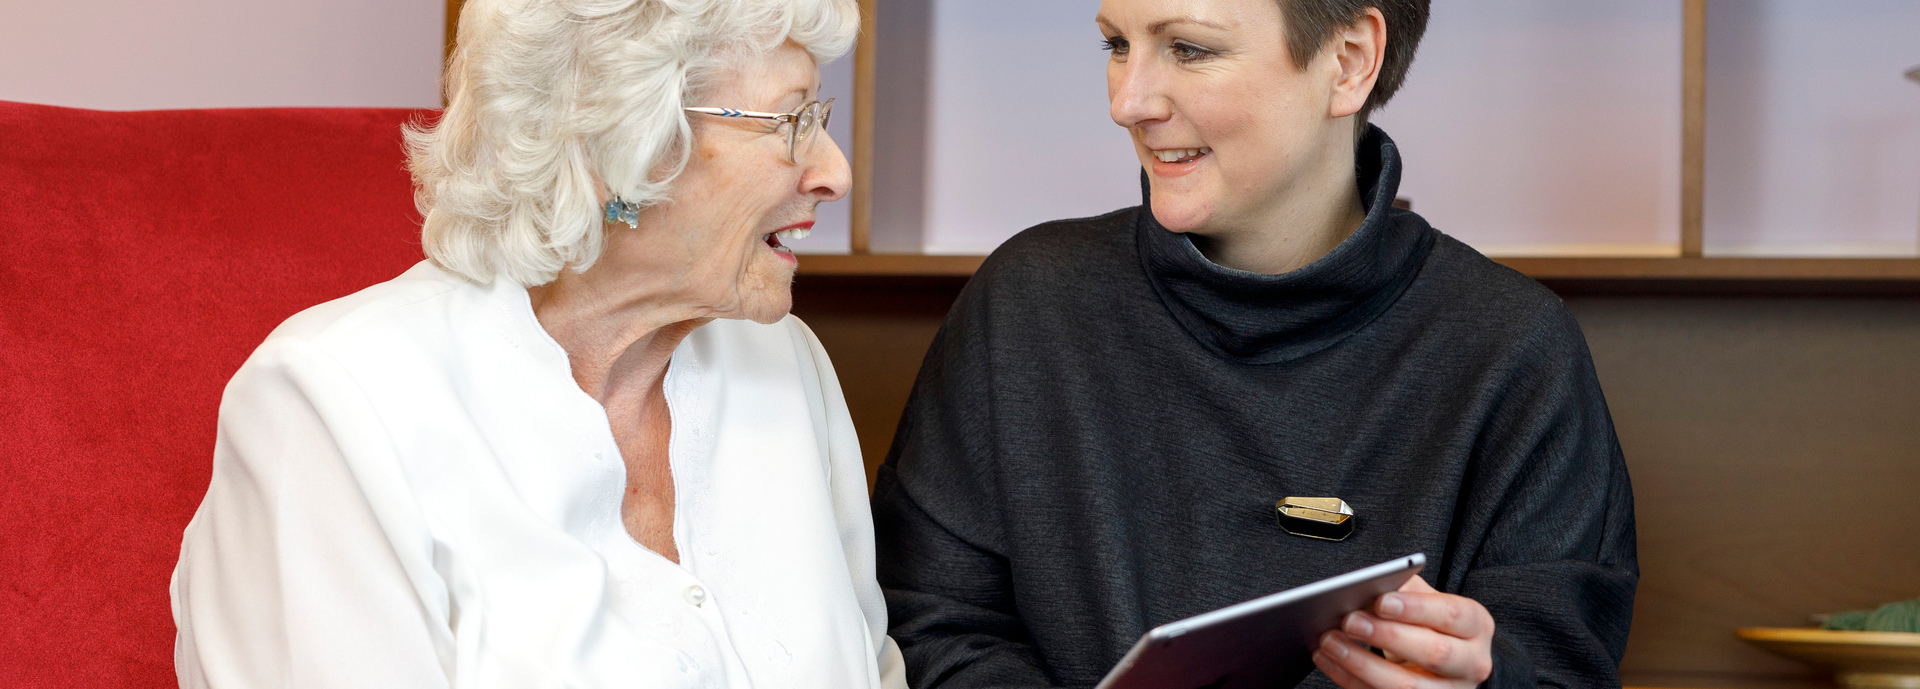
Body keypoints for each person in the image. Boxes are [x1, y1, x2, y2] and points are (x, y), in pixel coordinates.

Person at [870, 0, 1636, 688]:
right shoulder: (1025, 305)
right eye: (1115, 43)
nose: (1127, 101)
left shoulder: (1513, 349)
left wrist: (1485, 681)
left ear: (1349, 61)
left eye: (1189, 48)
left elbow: (1565, 671)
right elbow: (924, 625)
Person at [169, 0, 909, 686]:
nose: (833, 172)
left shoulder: (786, 363)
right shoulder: (331, 407)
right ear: (610, 143)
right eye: (791, 122)